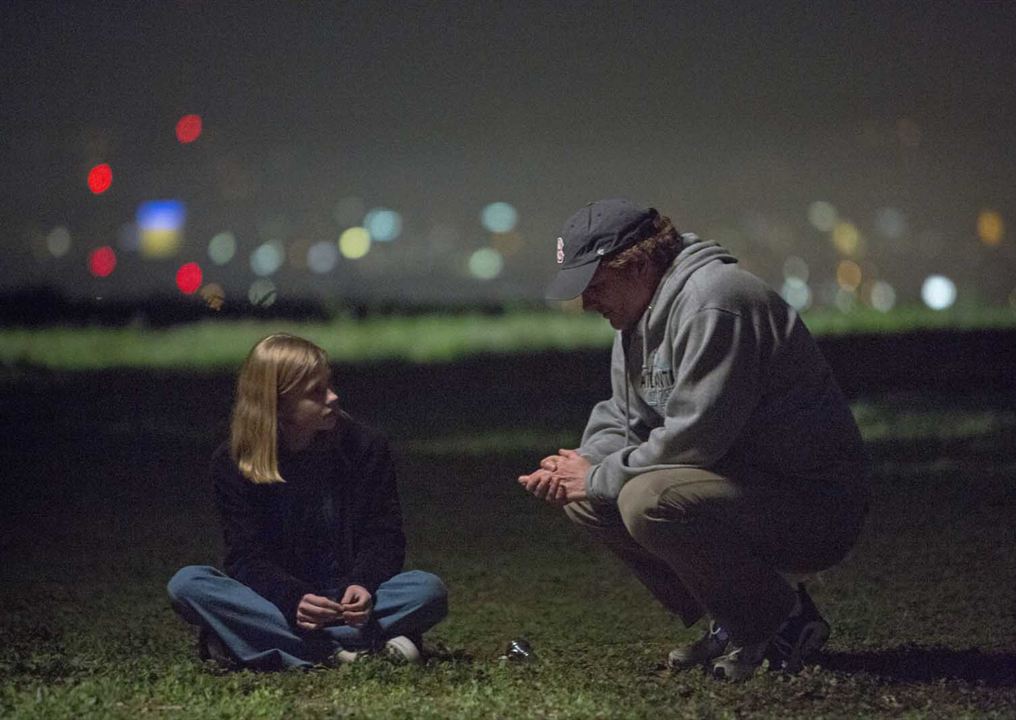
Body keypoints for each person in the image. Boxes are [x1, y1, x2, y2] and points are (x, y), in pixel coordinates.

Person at [518, 198, 869, 681]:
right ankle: (738, 618)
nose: (586, 302)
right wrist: (578, 464)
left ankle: (783, 624)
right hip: (734, 487)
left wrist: (597, 474)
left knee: (646, 498)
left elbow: (697, 437)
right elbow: (625, 416)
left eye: (595, 285)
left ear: (638, 265)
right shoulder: (637, 316)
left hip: (813, 504)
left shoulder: (716, 302)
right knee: (587, 499)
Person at [168, 333, 447, 670]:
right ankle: (344, 652)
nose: (333, 397)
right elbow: (246, 557)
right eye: (316, 392)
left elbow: (384, 535)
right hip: (280, 602)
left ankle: (248, 642)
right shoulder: (233, 463)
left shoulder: (363, 447)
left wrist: (363, 584)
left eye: (329, 385)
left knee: (427, 591)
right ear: (277, 404)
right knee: (188, 585)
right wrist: (294, 599)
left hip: (347, 601)